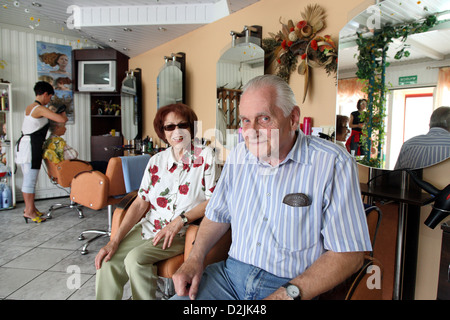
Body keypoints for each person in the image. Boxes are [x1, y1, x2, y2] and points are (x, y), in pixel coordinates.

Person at [171, 75, 372, 300]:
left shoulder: (333, 162)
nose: (251, 131)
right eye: (245, 120)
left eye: (264, 118)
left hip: (291, 286)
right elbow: (217, 214)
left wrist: (287, 294)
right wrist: (194, 259)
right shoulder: (239, 155)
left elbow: (349, 254)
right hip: (228, 279)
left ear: (293, 118)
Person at [94, 103, 219, 300]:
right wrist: (114, 241)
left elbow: (213, 201)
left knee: (135, 260)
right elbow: (140, 203)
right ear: (163, 132)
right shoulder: (156, 161)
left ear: (191, 127)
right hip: (149, 227)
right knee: (108, 261)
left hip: (181, 231)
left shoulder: (205, 156)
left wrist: (179, 221)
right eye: (169, 127)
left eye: (182, 125)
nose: (176, 132)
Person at [15, 81, 68, 223]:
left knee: (30, 179)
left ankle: (30, 208)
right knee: (30, 180)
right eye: (50, 97)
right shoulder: (39, 109)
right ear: (45, 94)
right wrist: (61, 113)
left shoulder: (33, 107)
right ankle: (29, 212)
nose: (49, 100)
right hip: (30, 147)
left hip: (29, 145)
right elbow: (60, 119)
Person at [42, 120, 108, 174]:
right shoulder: (58, 142)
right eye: (64, 126)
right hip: (73, 169)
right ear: (57, 127)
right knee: (104, 165)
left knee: (98, 164)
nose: (65, 128)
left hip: (64, 170)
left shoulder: (49, 141)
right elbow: (72, 156)